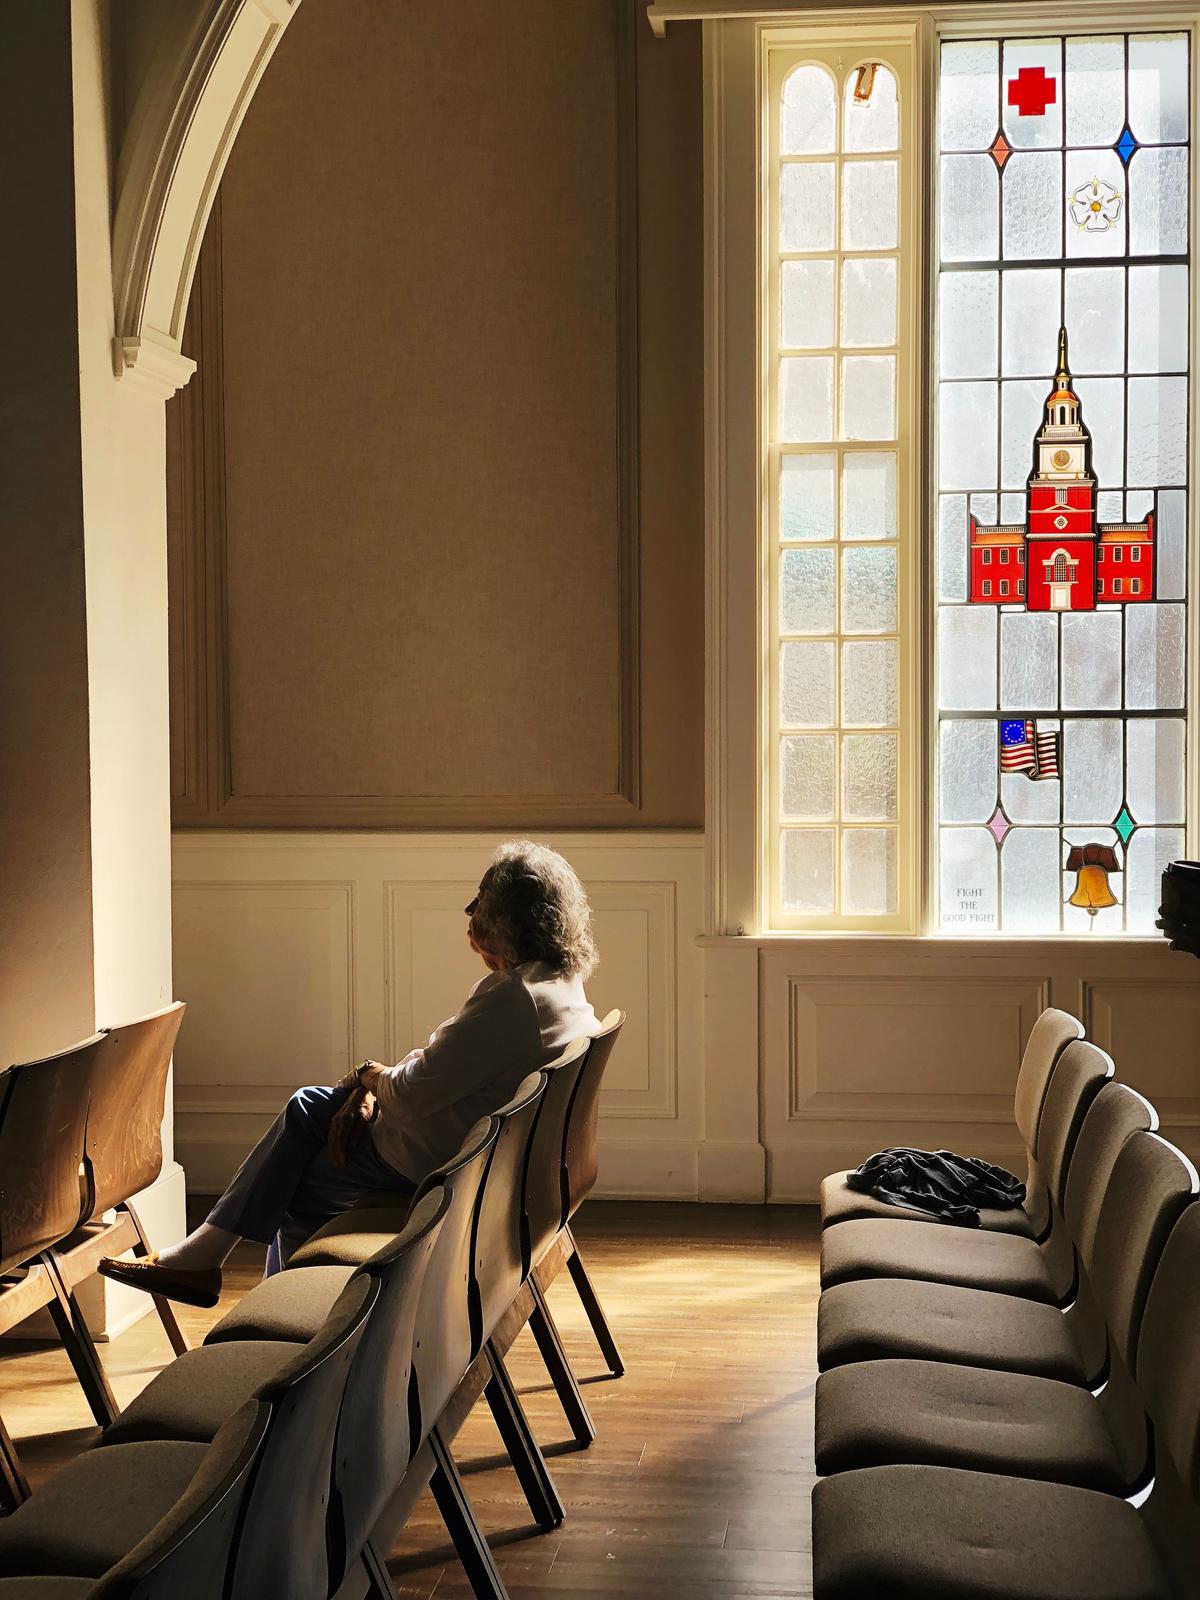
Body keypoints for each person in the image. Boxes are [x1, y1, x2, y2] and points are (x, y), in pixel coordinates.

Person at [100, 840, 601, 1307]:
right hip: (482, 1162)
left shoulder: (513, 1000)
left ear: (509, 919)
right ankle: (214, 1268)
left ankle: (279, 1319)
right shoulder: (558, 987)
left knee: (293, 1177)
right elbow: (443, 1068)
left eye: (482, 899)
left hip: (438, 1168)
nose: (470, 912)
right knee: (310, 1108)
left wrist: (370, 1078)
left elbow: (411, 1094)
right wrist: (368, 1086)